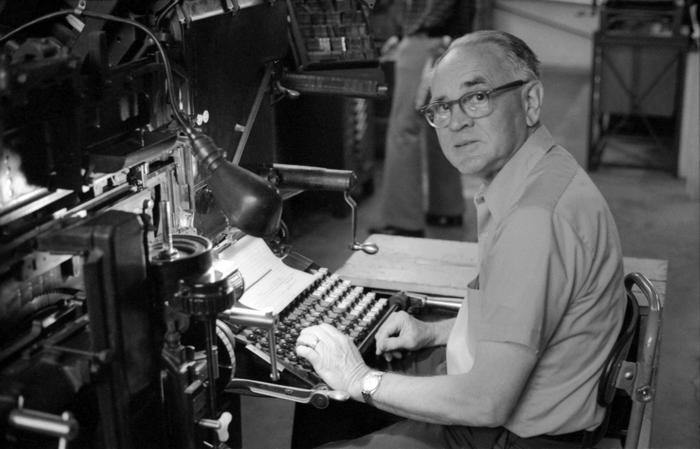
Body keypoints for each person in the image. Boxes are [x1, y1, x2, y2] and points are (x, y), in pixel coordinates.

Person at [295, 30, 626, 448]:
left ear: (530, 101)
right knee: (337, 392)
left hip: (506, 436)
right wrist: (434, 333)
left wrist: (359, 379)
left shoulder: (534, 220)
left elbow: (486, 402)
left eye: (478, 97)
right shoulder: (544, 174)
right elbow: (527, 319)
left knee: (338, 397)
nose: (456, 122)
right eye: (442, 107)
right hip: (513, 411)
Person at [369, 0, 475, 238]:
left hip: (423, 44)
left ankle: (403, 221)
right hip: (448, 43)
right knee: (441, 122)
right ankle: (447, 208)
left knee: (404, 130)